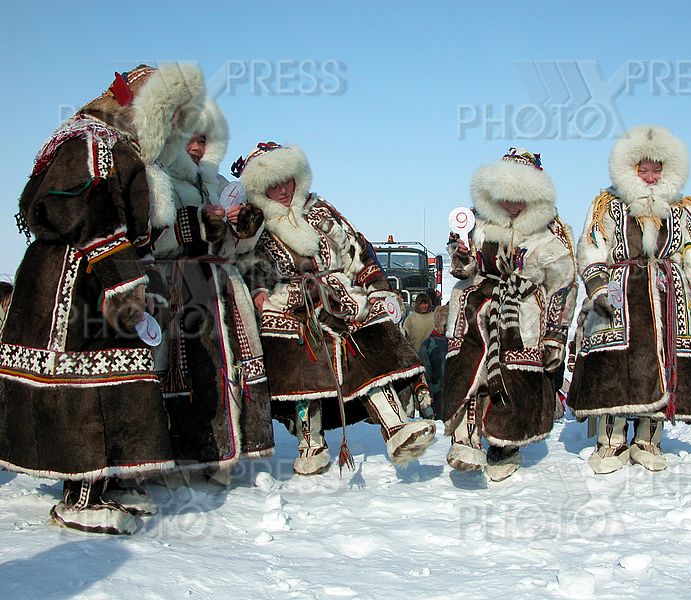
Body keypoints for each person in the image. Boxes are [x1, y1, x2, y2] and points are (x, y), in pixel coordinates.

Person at [0, 64, 206, 534]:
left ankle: (108, 478)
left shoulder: (122, 146)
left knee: (119, 375)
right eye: (169, 111)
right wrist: (123, 278)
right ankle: (81, 494)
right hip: (74, 282)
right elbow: (83, 211)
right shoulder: (92, 140)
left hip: (104, 278)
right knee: (84, 379)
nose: (176, 124)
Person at [233, 142, 436, 475]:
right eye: (273, 184)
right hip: (289, 303)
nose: (283, 190)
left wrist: (378, 290)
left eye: (288, 180)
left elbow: (356, 251)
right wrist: (261, 296)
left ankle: (395, 427)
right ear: (260, 188)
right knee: (302, 367)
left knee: (369, 348)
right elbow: (249, 266)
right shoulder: (256, 224)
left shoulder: (321, 211)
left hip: (342, 297)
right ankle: (311, 442)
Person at [568, 124, 691, 474]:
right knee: (616, 362)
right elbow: (593, 246)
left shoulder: (683, 209)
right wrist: (598, 288)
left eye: (657, 168)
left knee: (664, 360)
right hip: (620, 288)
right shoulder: (607, 205)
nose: (651, 175)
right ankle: (611, 440)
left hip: (669, 293)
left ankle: (648, 439)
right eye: (643, 168)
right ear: (628, 169)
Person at [151, 98, 273, 484]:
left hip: (224, 287)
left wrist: (244, 229)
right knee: (180, 373)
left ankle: (223, 452)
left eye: (204, 140)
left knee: (226, 370)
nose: (197, 147)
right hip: (180, 285)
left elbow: (238, 250)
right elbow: (153, 239)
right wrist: (198, 225)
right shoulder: (159, 180)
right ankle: (174, 458)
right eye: (190, 137)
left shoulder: (221, 186)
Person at [442, 148, 577, 482]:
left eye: (520, 198)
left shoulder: (553, 231)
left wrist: (555, 336)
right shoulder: (475, 223)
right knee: (470, 373)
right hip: (475, 309)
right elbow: (464, 269)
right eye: (505, 197)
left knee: (514, 380)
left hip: (524, 316)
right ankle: (466, 437)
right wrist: (460, 253)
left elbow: (563, 284)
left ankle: (506, 445)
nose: (511, 205)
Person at [418, 304, 449, 420]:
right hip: (436, 396)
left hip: (452, 395)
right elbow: (425, 376)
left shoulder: (455, 343)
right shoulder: (427, 346)